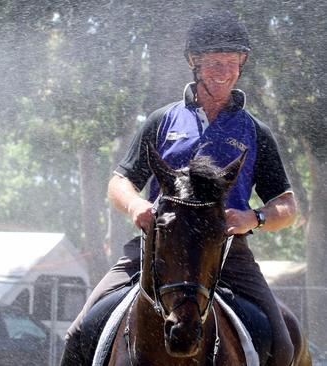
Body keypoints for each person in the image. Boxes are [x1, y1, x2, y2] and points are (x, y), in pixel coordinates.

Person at [61, 10, 296, 366]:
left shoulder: (255, 131)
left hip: (227, 253)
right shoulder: (162, 120)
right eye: (215, 62)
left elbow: (287, 207)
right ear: (194, 63)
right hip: (157, 248)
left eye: (232, 62)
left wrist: (254, 217)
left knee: (283, 346)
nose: (224, 71)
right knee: (78, 333)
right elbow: (119, 182)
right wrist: (136, 207)